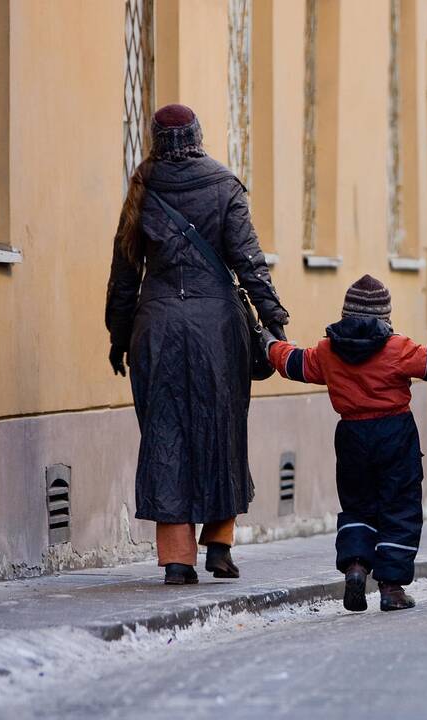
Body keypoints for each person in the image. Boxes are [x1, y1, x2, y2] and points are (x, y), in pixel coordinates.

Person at [105, 104, 290, 584]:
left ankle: (177, 559)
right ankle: (221, 546)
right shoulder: (224, 185)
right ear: (197, 136)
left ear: (155, 139)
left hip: (158, 327)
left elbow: (125, 273)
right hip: (217, 330)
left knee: (166, 433)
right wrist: (274, 319)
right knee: (222, 428)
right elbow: (249, 262)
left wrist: (117, 335)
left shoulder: (143, 186)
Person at [265, 275, 427, 611]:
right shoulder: (398, 348)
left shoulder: (327, 350)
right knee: (400, 506)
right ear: (385, 315)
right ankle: (392, 588)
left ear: (345, 312)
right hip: (394, 432)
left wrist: (269, 344)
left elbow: (294, 364)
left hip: (351, 435)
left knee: (357, 505)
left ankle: (355, 565)